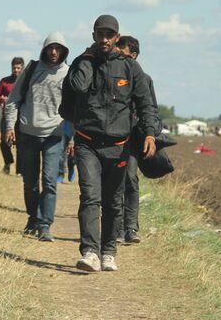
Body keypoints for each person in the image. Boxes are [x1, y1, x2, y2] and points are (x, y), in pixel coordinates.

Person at [61, 15, 158, 272]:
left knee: (114, 201)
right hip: (87, 143)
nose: (104, 39)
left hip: (119, 144)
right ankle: (90, 252)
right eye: (99, 34)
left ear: (117, 37)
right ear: (93, 36)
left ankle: (108, 252)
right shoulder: (83, 63)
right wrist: (88, 60)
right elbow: (77, 87)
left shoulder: (130, 68)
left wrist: (150, 134)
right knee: (90, 196)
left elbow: (146, 103)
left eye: (109, 35)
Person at [4, 32, 70, 241]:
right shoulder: (32, 69)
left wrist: (74, 137)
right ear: (44, 49)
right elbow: (13, 100)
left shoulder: (69, 73)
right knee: (30, 183)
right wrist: (9, 127)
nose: (53, 52)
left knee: (50, 181)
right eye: (51, 48)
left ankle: (45, 225)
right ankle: (33, 218)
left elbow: (75, 109)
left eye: (58, 48)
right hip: (28, 134)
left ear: (63, 51)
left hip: (54, 135)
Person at [115, 35, 161, 244]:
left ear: (133, 55)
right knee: (111, 183)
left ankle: (130, 227)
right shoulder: (111, 74)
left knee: (130, 179)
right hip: (111, 136)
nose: (116, 55)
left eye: (121, 52)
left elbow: (151, 110)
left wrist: (150, 133)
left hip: (132, 139)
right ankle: (113, 227)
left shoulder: (144, 79)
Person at [0, 57, 24, 175]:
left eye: (18, 68)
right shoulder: (5, 81)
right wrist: (1, 99)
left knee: (20, 143)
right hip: (6, 116)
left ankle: (20, 170)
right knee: (4, 142)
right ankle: (8, 162)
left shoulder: (25, 82)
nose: (16, 70)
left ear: (22, 68)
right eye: (14, 68)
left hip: (22, 117)